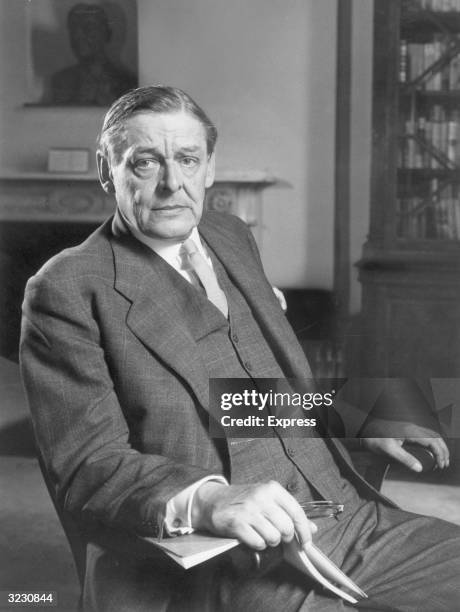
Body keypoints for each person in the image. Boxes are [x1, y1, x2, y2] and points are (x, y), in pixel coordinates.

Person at [20, 86, 460, 611]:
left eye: (187, 159)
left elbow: (243, 394)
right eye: (145, 163)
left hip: (345, 514)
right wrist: (209, 500)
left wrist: (358, 415)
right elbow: (87, 465)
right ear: (106, 170)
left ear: (209, 167)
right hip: (230, 563)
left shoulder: (228, 235)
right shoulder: (66, 288)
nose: (172, 184)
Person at [48, 3, 136, 106]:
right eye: (73, 29)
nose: (78, 36)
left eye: (88, 28)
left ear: (107, 33)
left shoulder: (127, 82)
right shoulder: (61, 81)